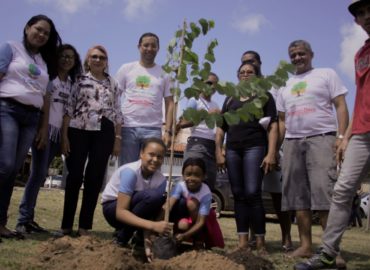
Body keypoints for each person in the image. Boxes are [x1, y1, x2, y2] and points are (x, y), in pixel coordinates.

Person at [294, 1, 370, 269]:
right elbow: (361, 96)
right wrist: (347, 135)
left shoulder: (326, 74)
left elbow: (342, 101)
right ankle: (327, 253)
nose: (366, 16)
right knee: (341, 191)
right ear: (357, 21)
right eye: (361, 13)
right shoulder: (361, 53)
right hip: (361, 133)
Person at [276, 40, 349, 258]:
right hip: (292, 142)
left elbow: (341, 105)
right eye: (293, 55)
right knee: (299, 198)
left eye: (301, 53)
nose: (297, 58)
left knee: (324, 195)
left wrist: (342, 136)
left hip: (322, 139)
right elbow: (281, 120)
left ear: (311, 54)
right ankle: (306, 246)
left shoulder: (326, 74)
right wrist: (276, 148)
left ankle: (331, 251)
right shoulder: (284, 84)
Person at [0, 14, 61, 239]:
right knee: (5, 165)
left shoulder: (44, 63)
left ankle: (1, 223)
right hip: (7, 109)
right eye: (38, 29)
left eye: (46, 33)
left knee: (13, 170)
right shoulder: (11, 48)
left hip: (31, 118)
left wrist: (44, 128)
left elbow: (45, 98)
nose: (42, 35)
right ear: (27, 28)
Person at [15, 44, 82, 234]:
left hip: (58, 134)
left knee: (41, 174)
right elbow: (45, 105)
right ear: (57, 58)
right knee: (38, 172)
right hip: (44, 130)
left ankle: (28, 218)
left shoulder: (71, 84)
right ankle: (23, 219)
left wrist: (64, 137)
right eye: (63, 56)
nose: (66, 60)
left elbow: (67, 112)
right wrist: (43, 130)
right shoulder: (49, 79)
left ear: (75, 61)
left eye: (71, 57)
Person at [59, 45, 122, 236]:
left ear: (106, 61)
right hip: (78, 130)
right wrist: (64, 137)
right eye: (94, 56)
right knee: (75, 176)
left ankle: (84, 226)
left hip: (104, 132)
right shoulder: (78, 80)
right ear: (88, 60)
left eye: (102, 57)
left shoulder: (113, 83)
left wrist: (117, 139)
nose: (98, 60)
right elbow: (68, 109)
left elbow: (118, 112)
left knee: (94, 179)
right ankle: (66, 226)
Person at [215, 61, 278, 255]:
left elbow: (273, 127)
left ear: (257, 75)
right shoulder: (230, 99)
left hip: (255, 148)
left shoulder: (265, 97)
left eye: (250, 72)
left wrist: (271, 153)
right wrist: (219, 151)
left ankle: (260, 243)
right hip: (233, 150)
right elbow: (220, 127)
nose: (245, 74)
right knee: (238, 194)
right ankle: (242, 242)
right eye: (242, 72)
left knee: (252, 193)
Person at [241, 50, 293, 252]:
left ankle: (286, 237)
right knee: (252, 193)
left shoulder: (273, 86)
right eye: (244, 62)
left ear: (259, 63)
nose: (248, 65)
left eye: (251, 61)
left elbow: (281, 120)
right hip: (250, 148)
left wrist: (274, 151)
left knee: (277, 195)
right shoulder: (241, 89)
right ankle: (255, 236)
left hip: (273, 148)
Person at [101, 137, 172, 248]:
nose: (155, 159)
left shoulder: (161, 180)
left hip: (135, 209)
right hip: (113, 210)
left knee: (159, 198)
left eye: (159, 157)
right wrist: (153, 226)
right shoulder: (130, 172)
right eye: (151, 154)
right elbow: (120, 212)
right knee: (152, 196)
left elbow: (149, 210)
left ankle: (139, 239)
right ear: (141, 154)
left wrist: (147, 238)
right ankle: (121, 238)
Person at [115, 32, 174, 166]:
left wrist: (168, 131)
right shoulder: (126, 69)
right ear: (139, 47)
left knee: (150, 170)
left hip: (153, 129)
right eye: (146, 45)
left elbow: (170, 103)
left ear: (158, 49)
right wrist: (116, 128)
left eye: (153, 46)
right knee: (127, 170)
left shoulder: (165, 73)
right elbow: (114, 97)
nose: (149, 49)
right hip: (128, 127)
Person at [167, 157, 224, 249]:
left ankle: (198, 239)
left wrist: (185, 235)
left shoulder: (206, 192)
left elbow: (201, 222)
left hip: (198, 220)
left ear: (204, 176)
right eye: (188, 174)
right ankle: (177, 235)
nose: (192, 178)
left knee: (195, 205)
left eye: (197, 175)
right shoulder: (180, 186)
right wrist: (156, 227)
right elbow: (168, 206)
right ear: (183, 175)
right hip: (182, 217)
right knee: (182, 207)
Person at [176, 72, 220, 190]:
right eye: (209, 83)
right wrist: (206, 115)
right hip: (197, 145)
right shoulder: (194, 100)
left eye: (215, 84)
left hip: (212, 147)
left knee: (208, 185)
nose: (212, 87)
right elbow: (183, 123)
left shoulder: (215, 104)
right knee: (190, 184)